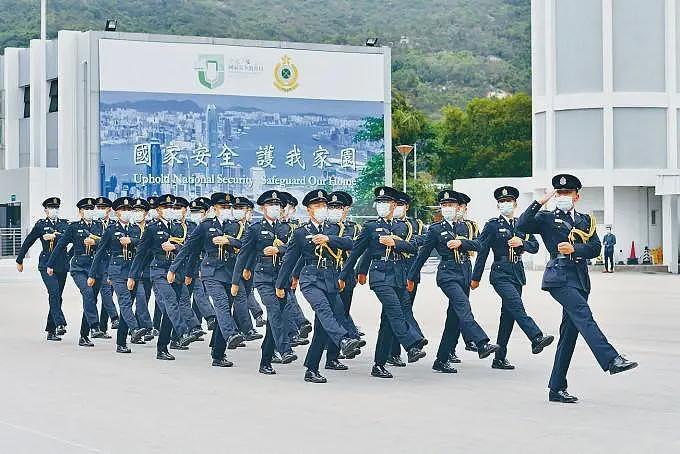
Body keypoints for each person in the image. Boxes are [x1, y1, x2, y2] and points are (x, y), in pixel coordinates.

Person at [517, 174, 638, 403]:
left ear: (576, 196)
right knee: (584, 315)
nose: (563, 196)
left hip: (580, 278)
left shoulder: (585, 220)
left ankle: (556, 388)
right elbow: (522, 224)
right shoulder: (546, 218)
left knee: (568, 336)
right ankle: (611, 359)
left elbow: (594, 248)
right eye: (559, 193)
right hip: (558, 277)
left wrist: (575, 249)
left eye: (567, 193)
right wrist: (539, 202)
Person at [407, 190, 500, 374]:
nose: (448, 208)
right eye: (445, 205)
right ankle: (481, 343)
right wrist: (411, 277)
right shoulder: (435, 229)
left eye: (451, 205)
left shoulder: (466, 227)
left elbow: (480, 245)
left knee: (454, 319)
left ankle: (441, 360)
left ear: (459, 208)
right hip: (447, 274)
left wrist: (461, 243)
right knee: (463, 306)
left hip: (464, 272)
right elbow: (422, 255)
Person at [275, 189, 364, 383]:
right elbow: (290, 260)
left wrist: (329, 239)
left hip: (331, 278)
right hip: (311, 279)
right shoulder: (301, 232)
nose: (322, 209)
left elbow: (352, 244)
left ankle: (311, 369)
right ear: (309, 210)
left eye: (324, 205)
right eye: (317, 206)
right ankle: (344, 339)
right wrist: (280, 285)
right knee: (324, 311)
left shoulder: (332, 230)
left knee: (323, 327)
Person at [339, 186, 426, 379]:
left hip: (399, 275)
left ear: (394, 205)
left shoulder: (403, 227)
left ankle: (379, 364)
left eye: (385, 202)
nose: (382, 206)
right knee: (395, 310)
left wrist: (396, 243)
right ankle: (412, 346)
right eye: (379, 202)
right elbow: (356, 252)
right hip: (380, 276)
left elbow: (412, 248)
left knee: (390, 320)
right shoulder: (370, 227)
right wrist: (344, 276)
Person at [470, 186, 554, 370]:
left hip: (517, 272)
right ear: (498, 205)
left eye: (508, 201)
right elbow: (482, 250)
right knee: (516, 305)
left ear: (515, 203)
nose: (505, 204)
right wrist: (475, 277)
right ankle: (536, 337)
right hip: (500, 272)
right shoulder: (492, 225)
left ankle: (499, 358)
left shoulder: (522, 224)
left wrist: (522, 242)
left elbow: (535, 246)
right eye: (501, 202)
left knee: (508, 316)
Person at [231, 190, 298, 375]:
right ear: (263, 208)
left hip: (281, 277)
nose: (275, 208)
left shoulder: (287, 229)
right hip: (263, 277)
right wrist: (236, 281)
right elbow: (244, 255)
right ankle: (285, 350)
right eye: (271, 205)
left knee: (279, 317)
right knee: (274, 311)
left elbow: (293, 251)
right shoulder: (254, 229)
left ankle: (265, 361)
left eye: (278, 205)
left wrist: (279, 250)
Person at [128, 194, 196, 361]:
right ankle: (184, 332)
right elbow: (141, 254)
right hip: (158, 270)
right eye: (166, 207)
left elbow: (187, 249)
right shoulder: (152, 228)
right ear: (158, 210)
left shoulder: (179, 227)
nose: (170, 210)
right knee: (171, 301)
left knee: (169, 311)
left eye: (172, 207)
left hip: (176, 271)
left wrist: (175, 247)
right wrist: (133, 276)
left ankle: (162, 347)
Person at [87, 197, 147, 353]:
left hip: (132, 271)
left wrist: (131, 241)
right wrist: (92, 274)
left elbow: (143, 245)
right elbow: (99, 253)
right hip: (117, 271)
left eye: (129, 210)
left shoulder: (136, 229)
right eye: (123, 210)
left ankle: (121, 343)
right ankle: (134, 329)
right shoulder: (111, 230)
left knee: (128, 305)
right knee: (125, 302)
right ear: (117, 212)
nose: (126, 213)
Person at [46, 198, 106, 346]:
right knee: (88, 293)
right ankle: (95, 326)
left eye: (92, 209)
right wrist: (50, 264)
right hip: (79, 267)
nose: (89, 212)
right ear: (80, 212)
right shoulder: (73, 227)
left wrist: (96, 242)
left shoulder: (100, 226)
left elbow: (106, 245)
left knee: (92, 299)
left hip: (95, 267)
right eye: (86, 209)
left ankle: (83, 336)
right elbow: (60, 245)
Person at [16, 197, 70, 340]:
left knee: (58, 296)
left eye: (56, 208)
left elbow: (71, 239)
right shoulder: (41, 225)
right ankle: (60, 324)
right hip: (46, 264)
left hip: (62, 265)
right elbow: (28, 241)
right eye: (51, 208)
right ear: (45, 210)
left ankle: (51, 330)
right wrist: (19, 259)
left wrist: (56, 237)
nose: (54, 210)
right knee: (54, 292)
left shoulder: (65, 224)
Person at [387, 191, 426, 367]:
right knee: (392, 314)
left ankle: (407, 345)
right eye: (395, 204)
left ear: (406, 207)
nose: (398, 208)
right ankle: (393, 352)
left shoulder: (416, 224)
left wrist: (413, 241)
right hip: (392, 273)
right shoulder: (388, 224)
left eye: (401, 205)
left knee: (404, 309)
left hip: (411, 273)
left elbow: (426, 238)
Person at [94, 196, 120, 335]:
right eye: (98, 208)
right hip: (96, 264)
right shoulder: (92, 224)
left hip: (111, 263)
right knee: (98, 294)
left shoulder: (114, 225)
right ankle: (114, 318)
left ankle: (102, 328)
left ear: (109, 209)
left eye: (103, 208)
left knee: (107, 294)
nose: (100, 210)